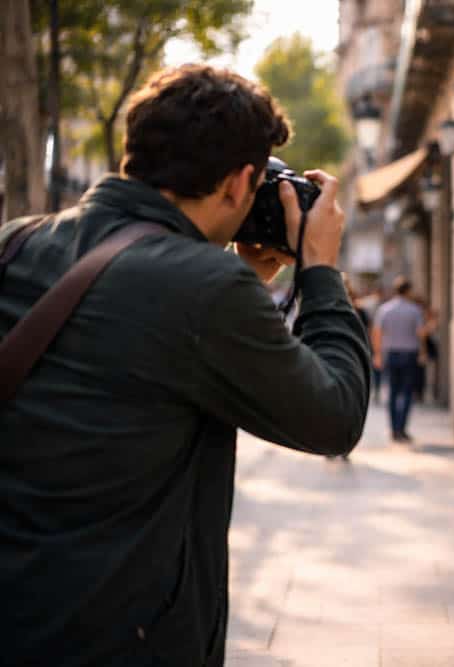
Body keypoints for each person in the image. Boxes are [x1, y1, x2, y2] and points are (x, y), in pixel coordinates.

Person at [0, 65, 371, 666]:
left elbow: (123, 347)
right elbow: (335, 416)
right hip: (119, 641)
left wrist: (238, 281)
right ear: (239, 183)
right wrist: (321, 272)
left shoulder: (15, 242)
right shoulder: (205, 288)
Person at [371, 276, 427, 441]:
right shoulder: (414, 310)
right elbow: (420, 334)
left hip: (391, 354)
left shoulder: (385, 309)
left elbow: (377, 333)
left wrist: (377, 354)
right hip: (410, 355)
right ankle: (401, 429)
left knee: (393, 392)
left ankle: (394, 429)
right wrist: (423, 352)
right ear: (408, 291)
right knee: (407, 392)